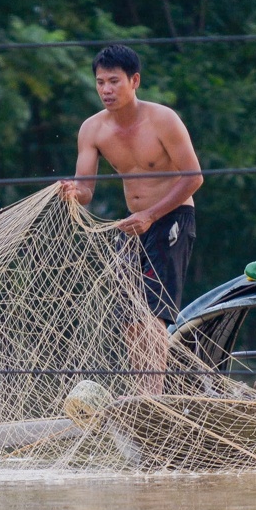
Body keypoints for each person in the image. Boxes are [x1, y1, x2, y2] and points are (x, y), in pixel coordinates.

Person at [56, 44, 204, 394]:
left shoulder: (162, 119)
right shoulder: (92, 130)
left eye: (114, 81)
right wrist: (70, 193)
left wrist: (152, 215)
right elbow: (86, 191)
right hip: (133, 226)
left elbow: (194, 176)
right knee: (131, 317)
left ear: (134, 81)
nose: (106, 90)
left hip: (171, 218)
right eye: (100, 83)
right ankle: (145, 393)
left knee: (154, 314)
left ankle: (154, 399)